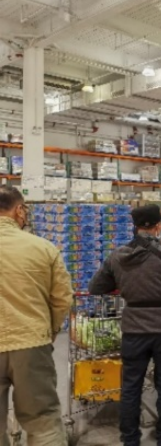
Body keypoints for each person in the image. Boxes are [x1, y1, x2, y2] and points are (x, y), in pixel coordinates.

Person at [89, 204, 161, 446]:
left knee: (130, 387)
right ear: (158, 226)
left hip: (133, 328)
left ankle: (130, 439)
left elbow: (95, 287)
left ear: (135, 226)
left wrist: (123, 283)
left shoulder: (118, 256)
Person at [0, 185, 73, 446]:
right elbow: (63, 298)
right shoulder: (43, 248)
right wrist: (49, 331)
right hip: (31, 343)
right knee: (43, 422)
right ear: (19, 210)